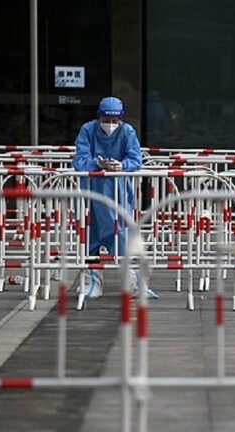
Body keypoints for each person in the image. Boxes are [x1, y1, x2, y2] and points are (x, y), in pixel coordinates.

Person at [72, 96, 158, 299]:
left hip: (119, 192)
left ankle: (134, 284)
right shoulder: (88, 130)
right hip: (91, 193)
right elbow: (80, 159)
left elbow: (135, 159)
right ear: (98, 116)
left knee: (123, 237)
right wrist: (97, 164)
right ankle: (92, 282)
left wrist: (122, 166)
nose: (110, 125)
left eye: (114, 120)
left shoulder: (127, 132)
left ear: (121, 118)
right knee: (90, 239)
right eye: (106, 120)